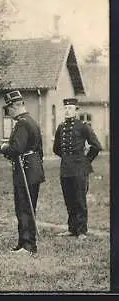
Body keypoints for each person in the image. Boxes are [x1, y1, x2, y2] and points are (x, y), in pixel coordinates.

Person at [0, 90, 45, 255]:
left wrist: (4, 148)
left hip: (26, 171)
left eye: (9, 108)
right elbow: (40, 150)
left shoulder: (23, 123)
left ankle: (28, 245)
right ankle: (24, 242)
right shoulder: (31, 121)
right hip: (32, 169)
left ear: (16, 106)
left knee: (24, 207)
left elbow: (16, 148)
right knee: (26, 206)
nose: (9, 112)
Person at [53, 98, 102, 239]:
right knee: (69, 199)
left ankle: (81, 230)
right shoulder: (61, 127)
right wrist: (67, 158)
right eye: (66, 108)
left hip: (80, 168)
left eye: (70, 108)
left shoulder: (83, 126)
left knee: (80, 199)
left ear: (76, 110)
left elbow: (96, 146)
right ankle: (72, 228)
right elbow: (56, 148)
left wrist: (86, 160)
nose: (67, 110)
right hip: (66, 169)